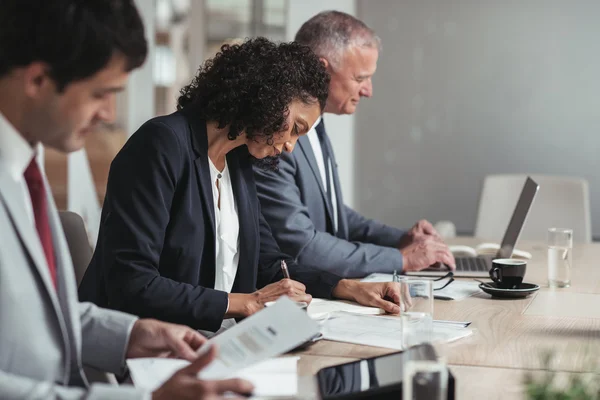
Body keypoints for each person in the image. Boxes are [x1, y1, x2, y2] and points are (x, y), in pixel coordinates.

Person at [0, 1, 253, 398]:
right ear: (37, 80)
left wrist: (130, 333)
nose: (109, 114)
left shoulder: (24, 170)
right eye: (102, 93)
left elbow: (37, 321)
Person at [78, 38, 405, 334]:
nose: (291, 146)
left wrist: (345, 287)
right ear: (270, 98)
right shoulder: (162, 145)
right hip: (148, 349)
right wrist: (242, 302)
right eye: (295, 128)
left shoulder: (239, 162)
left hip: (217, 342)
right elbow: (132, 281)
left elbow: (267, 261)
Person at [253, 11, 456, 278]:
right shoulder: (276, 141)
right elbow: (302, 245)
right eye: (360, 79)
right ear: (321, 69)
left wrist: (403, 240)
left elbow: (332, 212)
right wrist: (399, 259)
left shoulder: (317, 126)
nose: (368, 91)